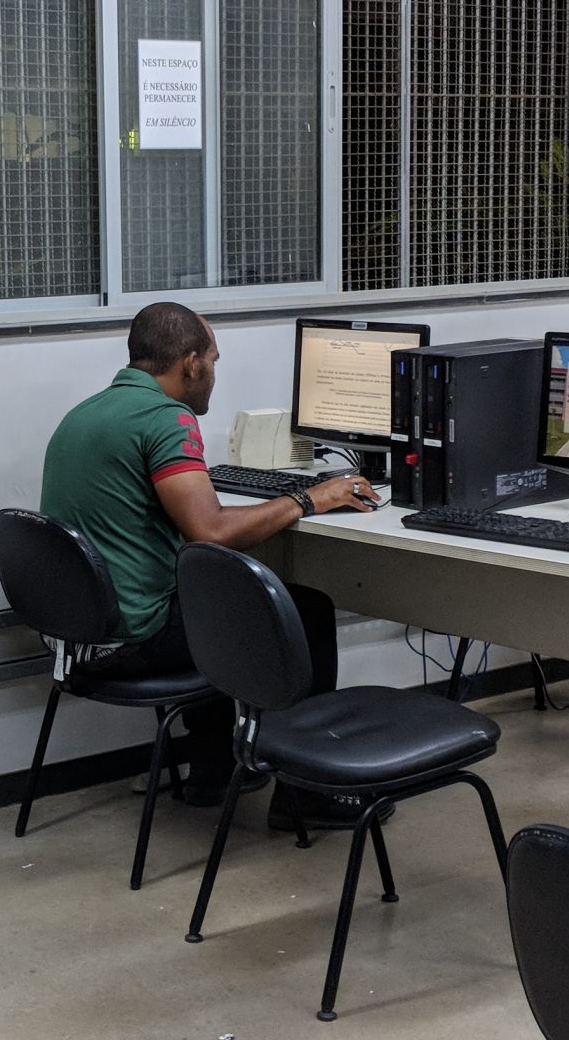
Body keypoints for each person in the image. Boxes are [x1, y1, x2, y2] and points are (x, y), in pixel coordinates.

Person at [40, 303, 379, 830]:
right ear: (191, 363)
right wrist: (314, 498)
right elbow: (211, 531)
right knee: (303, 610)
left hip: (76, 640)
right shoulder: (166, 419)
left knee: (210, 595)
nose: (215, 375)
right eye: (214, 361)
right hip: (130, 643)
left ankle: (213, 773)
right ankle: (308, 794)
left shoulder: (88, 412)